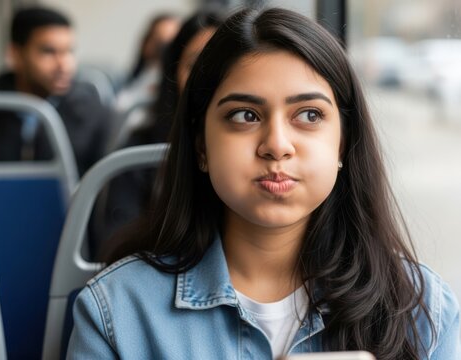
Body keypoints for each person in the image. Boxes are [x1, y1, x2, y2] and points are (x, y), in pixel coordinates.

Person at [67, 7, 460, 360]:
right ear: (201, 146)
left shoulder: (424, 310)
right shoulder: (118, 311)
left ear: (343, 142)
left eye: (308, 115)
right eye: (245, 115)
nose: (276, 145)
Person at [89, 9, 223, 260]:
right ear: (174, 74)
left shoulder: (262, 151)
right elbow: (116, 242)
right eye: (194, 65)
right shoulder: (139, 149)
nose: (206, 79)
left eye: (221, 66)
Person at [0, 6, 111, 176]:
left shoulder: (91, 113)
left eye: (69, 51)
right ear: (15, 54)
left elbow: (102, 190)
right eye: (48, 51)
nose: (64, 64)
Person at [115, 13, 181, 113]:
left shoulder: (174, 92)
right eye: (158, 41)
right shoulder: (128, 80)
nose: (162, 50)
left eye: (169, 43)